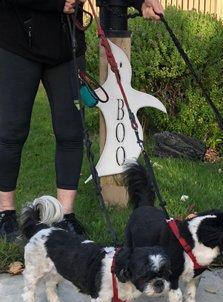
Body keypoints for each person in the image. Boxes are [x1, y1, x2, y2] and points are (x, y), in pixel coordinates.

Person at [0, 0, 164, 241]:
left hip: (67, 46)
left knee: (71, 132)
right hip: (18, 43)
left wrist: (141, 3)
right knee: (11, 132)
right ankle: (5, 214)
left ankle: (65, 215)